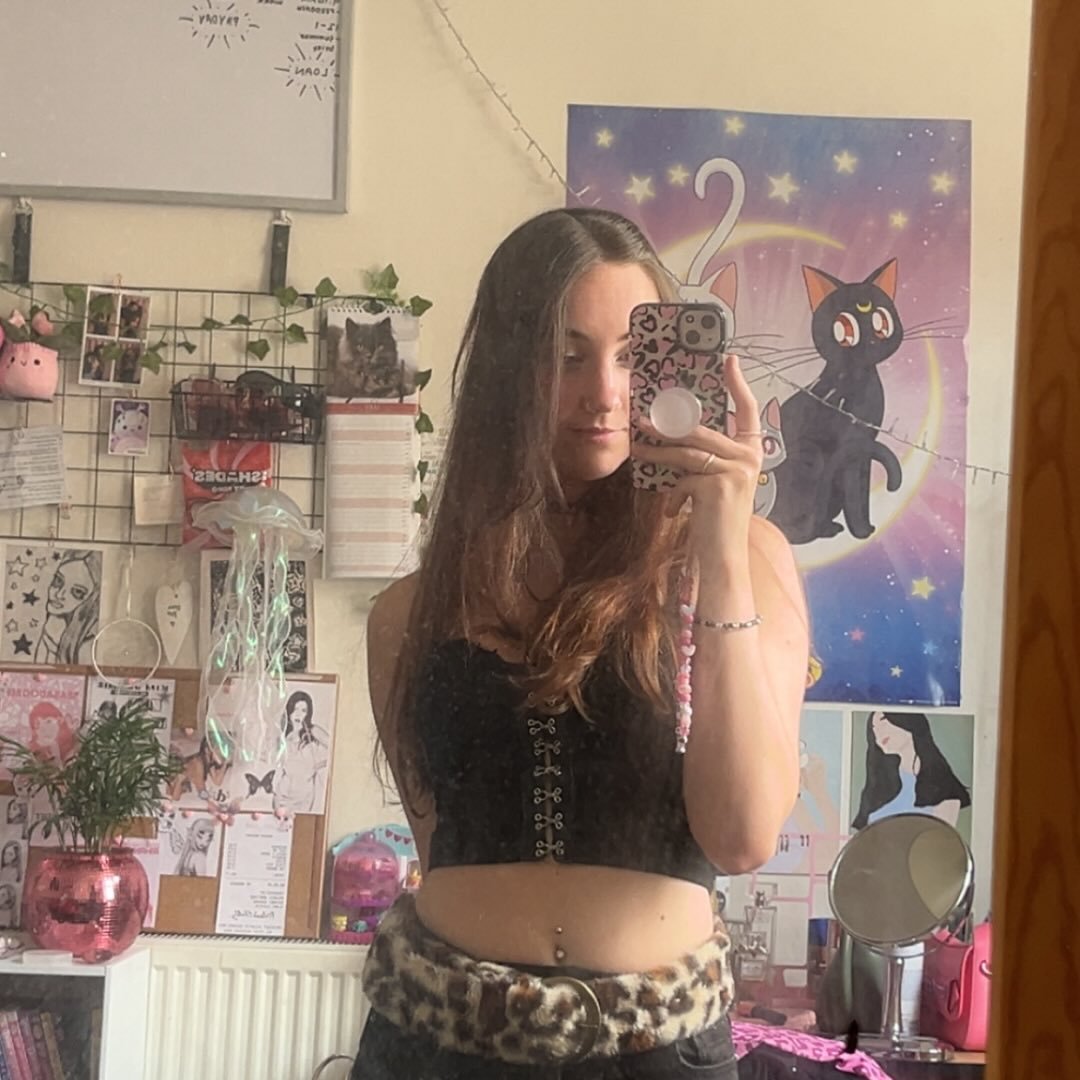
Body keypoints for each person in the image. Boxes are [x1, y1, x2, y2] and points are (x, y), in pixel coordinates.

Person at [352, 207, 808, 1079]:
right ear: (506, 372)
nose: (604, 392)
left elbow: (743, 835)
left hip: (658, 1051)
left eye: (632, 356)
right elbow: (436, 844)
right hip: (437, 1045)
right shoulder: (412, 610)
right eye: (566, 357)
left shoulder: (747, 560)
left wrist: (718, 542)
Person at [851, 711, 971, 829]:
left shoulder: (944, 787)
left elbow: (941, 838)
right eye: (873, 728)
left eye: (883, 721)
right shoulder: (881, 782)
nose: (878, 733)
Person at [35, 551, 101, 664]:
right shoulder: (52, 625)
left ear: (91, 600)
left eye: (77, 591)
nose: (59, 594)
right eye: (58, 581)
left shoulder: (89, 643)